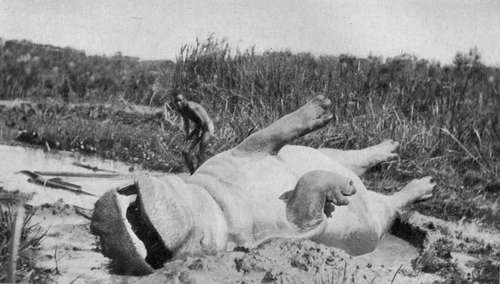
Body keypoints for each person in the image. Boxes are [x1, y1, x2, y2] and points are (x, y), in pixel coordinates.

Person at [171, 91, 215, 173]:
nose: (178, 103)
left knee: (200, 153)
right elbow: (186, 123)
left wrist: (193, 134)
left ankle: (201, 173)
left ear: (184, 100)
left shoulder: (191, 107)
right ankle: (193, 173)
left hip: (207, 127)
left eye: (180, 100)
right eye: (176, 101)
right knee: (185, 151)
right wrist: (187, 135)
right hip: (199, 128)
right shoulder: (181, 110)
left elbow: (202, 122)